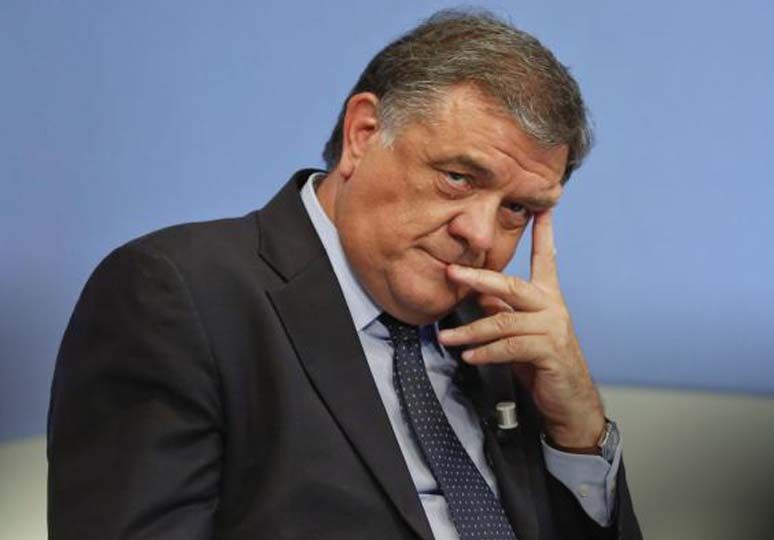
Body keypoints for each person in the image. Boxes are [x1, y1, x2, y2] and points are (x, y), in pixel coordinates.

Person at [48, 9, 642, 540]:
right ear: (363, 135)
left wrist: (579, 432)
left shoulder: (504, 339)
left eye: (517, 209)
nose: (482, 235)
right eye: (458, 177)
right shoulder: (180, 295)